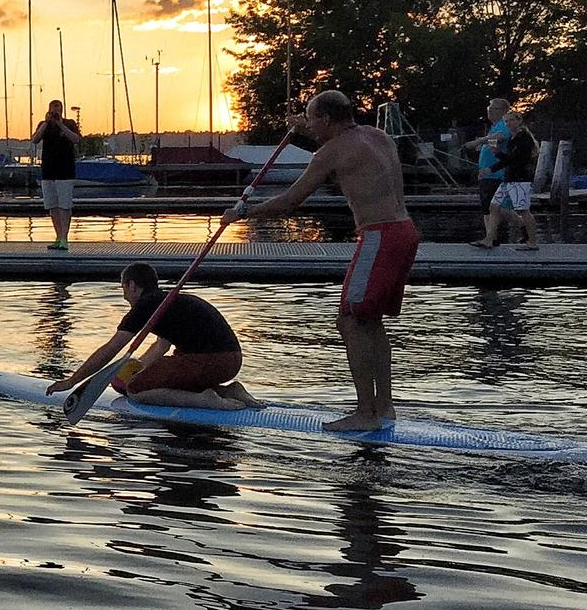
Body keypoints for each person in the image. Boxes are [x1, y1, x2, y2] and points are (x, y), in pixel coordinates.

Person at [225, 89, 415, 432]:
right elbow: (344, 151)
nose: (308, 125)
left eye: (312, 119)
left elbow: (290, 201)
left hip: (379, 236)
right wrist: (306, 129)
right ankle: (384, 407)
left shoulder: (330, 152)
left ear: (327, 119)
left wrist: (242, 214)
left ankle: (365, 413)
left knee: (350, 321)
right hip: (404, 231)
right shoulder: (377, 136)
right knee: (369, 322)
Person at [47, 262, 260, 411]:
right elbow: (161, 347)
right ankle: (228, 391)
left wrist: (72, 381)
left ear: (132, 285)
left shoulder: (145, 306)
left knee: (137, 389)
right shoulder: (167, 302)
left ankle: (203, 400)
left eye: (123, 288)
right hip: (232, 362)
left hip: (210, 362)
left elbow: (111, 349)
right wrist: (140, 368)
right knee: (157, 374)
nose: (124, 296)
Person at [470, 109, 540, 252]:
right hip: (508, 179)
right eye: (506, 121)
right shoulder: (513, 139)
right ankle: (489, 239)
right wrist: (492, 164)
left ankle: (532, 242)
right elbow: (507, 160)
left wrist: (496, 157)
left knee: (523, 210)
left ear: (519, 121)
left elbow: (513, 159)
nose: (508, 123)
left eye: (511, 120)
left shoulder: (524, 139)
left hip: (519, 180)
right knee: (494, 206)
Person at [32, 98, 82, 250]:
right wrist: (46, 123)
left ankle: (65, 238)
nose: (55, 112)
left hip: (65, 170)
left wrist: (60, 124)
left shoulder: (69, 123)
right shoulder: (43, 125)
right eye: (53, 110)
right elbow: (35, 139)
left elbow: (76, 139)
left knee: (64, 205)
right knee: (52, 206)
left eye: (58, 109)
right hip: (48, 170)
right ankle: (58, 236)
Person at [461, 96, 511, 233]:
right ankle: (490, 235)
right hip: (487, 173)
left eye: (494, 108)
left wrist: (478, 141)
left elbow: (501, 136)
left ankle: (520, 226)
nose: (490, 111)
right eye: (489, 108)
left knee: (494, 207)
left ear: (504, 111)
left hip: (495, 174)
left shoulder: (503, 124)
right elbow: (492, 142)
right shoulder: (494, 126)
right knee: (487, 207)